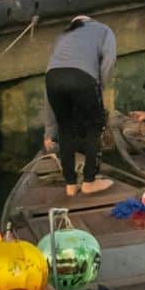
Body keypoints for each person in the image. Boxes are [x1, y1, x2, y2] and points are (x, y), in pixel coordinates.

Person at [43, 14, 116, 193]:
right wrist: (99, 88)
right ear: (90, 21)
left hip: (52, 79)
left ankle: (70, 184)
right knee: (95, 127)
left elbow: (48, 93)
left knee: (65, 129)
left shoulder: (63, 36)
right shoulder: (104, 30)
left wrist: (49, 133)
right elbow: (109, 61)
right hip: (83, 78)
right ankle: (89, 181)